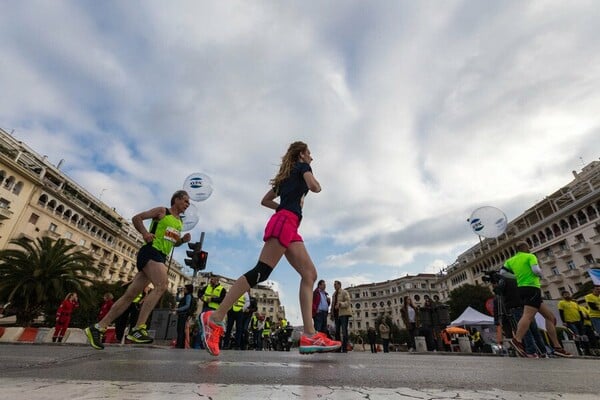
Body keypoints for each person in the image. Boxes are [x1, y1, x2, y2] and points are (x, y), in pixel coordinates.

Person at [200, 141, 341, 356]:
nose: (312, 157)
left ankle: (310, 334)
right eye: (310, 153)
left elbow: (265, 200)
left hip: (289, 224)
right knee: (261, 271)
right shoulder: (303, 167)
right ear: (302, 154)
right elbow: (314, 187)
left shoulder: (285, 177)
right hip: (285, 222)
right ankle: (215, 318)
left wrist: (283, 206)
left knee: (310, 274)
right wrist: (314, 184)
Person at [85, 190, 192, 350]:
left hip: (161, 256)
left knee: (130, 296)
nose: (187, 205)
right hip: (150, 252)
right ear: (176, 200)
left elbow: (173, 242)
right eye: (185, 201)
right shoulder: (163, 211)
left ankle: (98, 327)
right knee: (162, 286)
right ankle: (138, 328)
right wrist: (145, 233)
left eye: (188, 203)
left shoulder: (179, 223)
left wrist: (182, 240)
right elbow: (137, 218)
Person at [502, 241, 571, 357]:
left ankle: (557, 347)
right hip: (532, 287)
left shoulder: (510, 260)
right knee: (528, 316)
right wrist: (540, 274)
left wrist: (517, 276)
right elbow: (536, 270)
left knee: (550, 317)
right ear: (526, 248)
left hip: (522, 289)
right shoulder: (530, 256)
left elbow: (502, 272)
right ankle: (517, 340)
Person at [332, 280, 352, 353]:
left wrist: (340, 304)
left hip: (343, 314)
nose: (334, 286)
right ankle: (338, 348)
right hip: (337, 315)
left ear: (340, 285)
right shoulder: (334, 294)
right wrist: (332, 313)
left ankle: (344, 348)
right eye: (334, 285)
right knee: (337, 332)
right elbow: (333, 305)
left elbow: (348, 302)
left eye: (335, 285)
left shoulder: (344, 292)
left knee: (344, 331)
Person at [174, 284, 194, 349]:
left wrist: (178, 309)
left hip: (184, 314)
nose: (184, 290)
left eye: (185, 289)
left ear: (188, 289)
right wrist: (178, 293)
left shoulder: (188, 296)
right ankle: (179, 344)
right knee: (179, 329)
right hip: (181, 314)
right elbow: (177, 299)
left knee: (181, 330)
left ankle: (180, 345)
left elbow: (187, 306)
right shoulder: (185, 296)